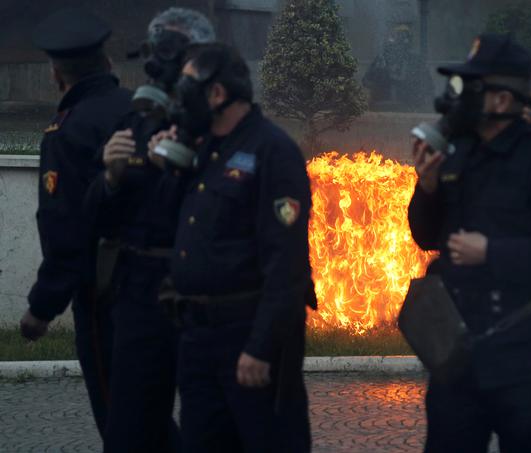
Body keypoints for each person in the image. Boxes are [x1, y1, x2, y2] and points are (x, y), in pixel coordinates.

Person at [408, 33, 531, 453]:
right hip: (459, 358)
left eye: (472, 87)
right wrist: (428, 186)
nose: (459, 96)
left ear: (503, 101)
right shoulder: (456, 154)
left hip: (528, 359)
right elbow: (423, 236)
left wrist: (491, 252)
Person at [153, 43, 313, 452]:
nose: (178, 100)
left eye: (187, 89)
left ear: (217, 94)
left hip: (246, 336)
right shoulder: (204, 149)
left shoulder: (272, 151)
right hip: (198, 339)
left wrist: (260, 348)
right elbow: (170, 225)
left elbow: (286, 263)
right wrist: (173, 164)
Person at [85, 8, 216, 453]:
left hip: (200, 292)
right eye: (159, 43)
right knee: (131, 425)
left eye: (175, 46)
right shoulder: (134, 123)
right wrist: (111, 179)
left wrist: (182, 168)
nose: (163, 57)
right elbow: (98, 219)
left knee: (208, 422)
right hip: (139, 292)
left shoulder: (219, 128)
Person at [19, 7, 132, 438]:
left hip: (107, 294)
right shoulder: (137, 112)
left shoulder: (67, 131)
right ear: (107, 64)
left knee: (121, 420)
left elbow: (65, 225)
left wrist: (42, 307)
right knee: (149, 413)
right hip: (164, 286)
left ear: (56, 74)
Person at [363, 24, 434, 111]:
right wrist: (381, 76)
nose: (400, 44)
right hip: (383, 107)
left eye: (403, 38)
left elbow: (428, 87)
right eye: (398, 38)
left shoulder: (416, 61)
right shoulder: (382, 59)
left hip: (408, 107)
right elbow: (366, 81)